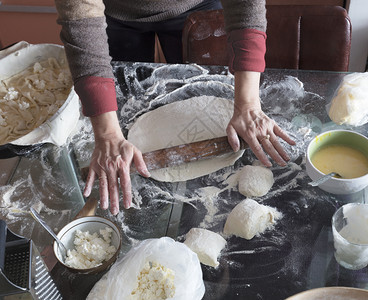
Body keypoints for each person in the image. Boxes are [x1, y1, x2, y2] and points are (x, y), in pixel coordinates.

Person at [54, 0, 295, 215]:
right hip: (115, 15)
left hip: (195, 9)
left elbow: (246, 6)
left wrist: (249, 104)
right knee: (124, 95)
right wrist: (106, 134)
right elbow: (80, 17)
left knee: (202, 83)